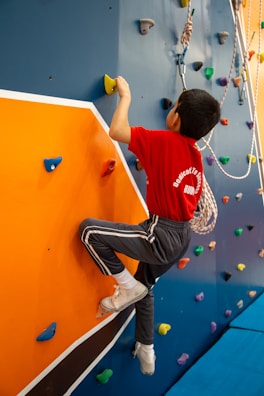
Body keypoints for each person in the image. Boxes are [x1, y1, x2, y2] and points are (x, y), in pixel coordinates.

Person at [79, 76, 220, 376]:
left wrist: (126, 96)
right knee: (147, 287)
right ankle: (146, 348)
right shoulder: (193, 153)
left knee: (90, 232)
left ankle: (126, 287)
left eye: (175, 106)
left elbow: (117, 130)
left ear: (176, 117)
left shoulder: (162, 140)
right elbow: (174, 180)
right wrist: (148, 164)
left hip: (160, 232)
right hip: (181, 236)